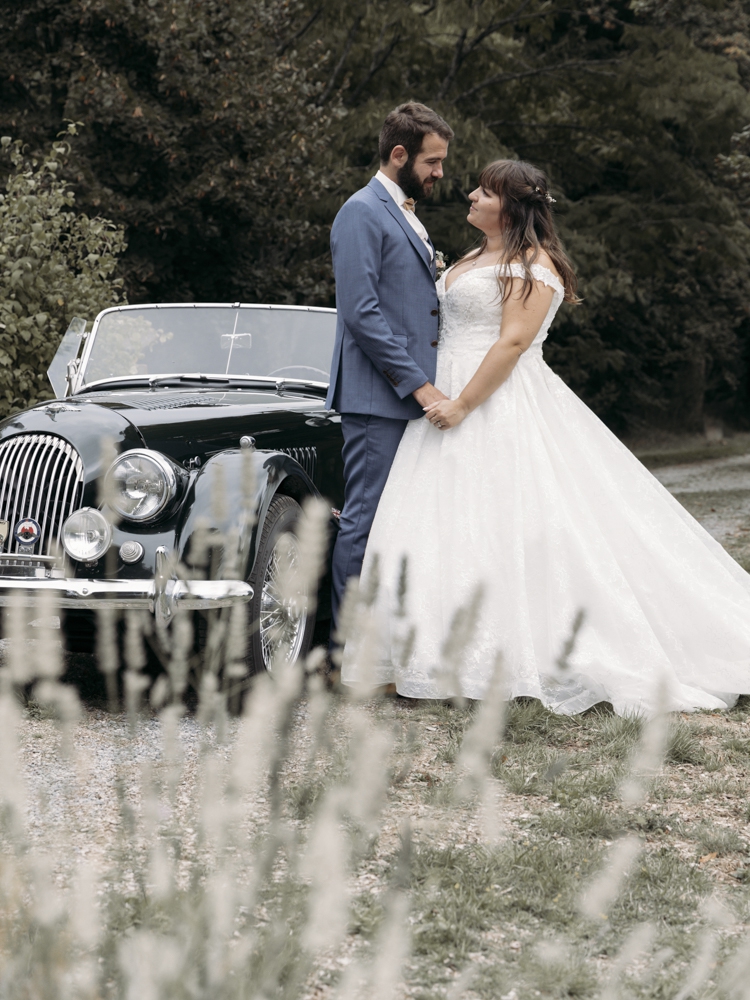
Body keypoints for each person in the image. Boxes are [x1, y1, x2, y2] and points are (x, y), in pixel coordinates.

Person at [341, 158, 750, 716]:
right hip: (442, 399)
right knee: (443, 526)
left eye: (484, 192)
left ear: (510, 206)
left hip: (493, 402)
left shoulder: (532, 265)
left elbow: (511, 344)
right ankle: (442, 657)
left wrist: (462, 403)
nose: (471, 195)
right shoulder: (472, 257)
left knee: (517, 526)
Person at [327, 102, 454, 644]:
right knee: (364, 520)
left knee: (398, 520)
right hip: (379, 395)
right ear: (399, 154)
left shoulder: (405, 214)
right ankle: (341, 650)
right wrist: (420, 384)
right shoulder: (361, 211)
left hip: (403, 397)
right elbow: (361, 313)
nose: (440, 173)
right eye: (433, 161)